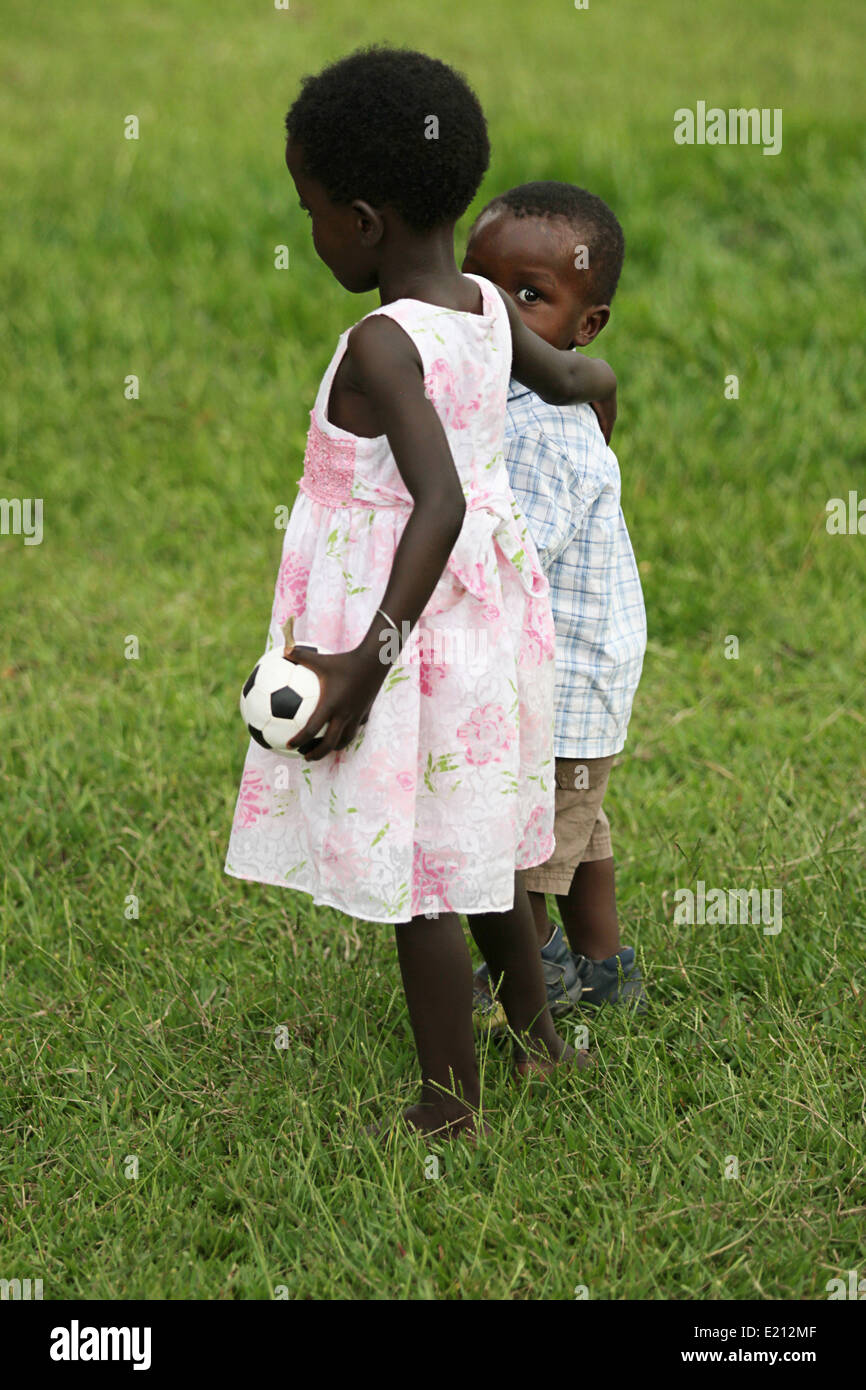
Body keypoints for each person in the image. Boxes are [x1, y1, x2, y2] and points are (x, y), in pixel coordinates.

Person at [225, 51, 617, 1139]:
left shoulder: (382, 346)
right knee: (475, 839)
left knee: (421, 883)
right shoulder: (489, 306)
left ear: (358, 221)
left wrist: (363, 660)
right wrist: (602, 391)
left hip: (406, 636)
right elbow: (569, 378)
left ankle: (449, 1104)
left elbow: (433, 503)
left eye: (308, 212)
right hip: (483, 625)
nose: (308, 232)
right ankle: (537, 1038)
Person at [462, 182, 647, 1028]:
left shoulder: (539, 428)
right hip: (580, 683)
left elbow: (508, 559)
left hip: (559, 688)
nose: (495, 312)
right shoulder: (520, 401)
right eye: (479, 286)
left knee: (525, 850)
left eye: (529, 296)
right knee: (579, 828)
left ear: (586, 326)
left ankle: (528, 987)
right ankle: (605, 967)